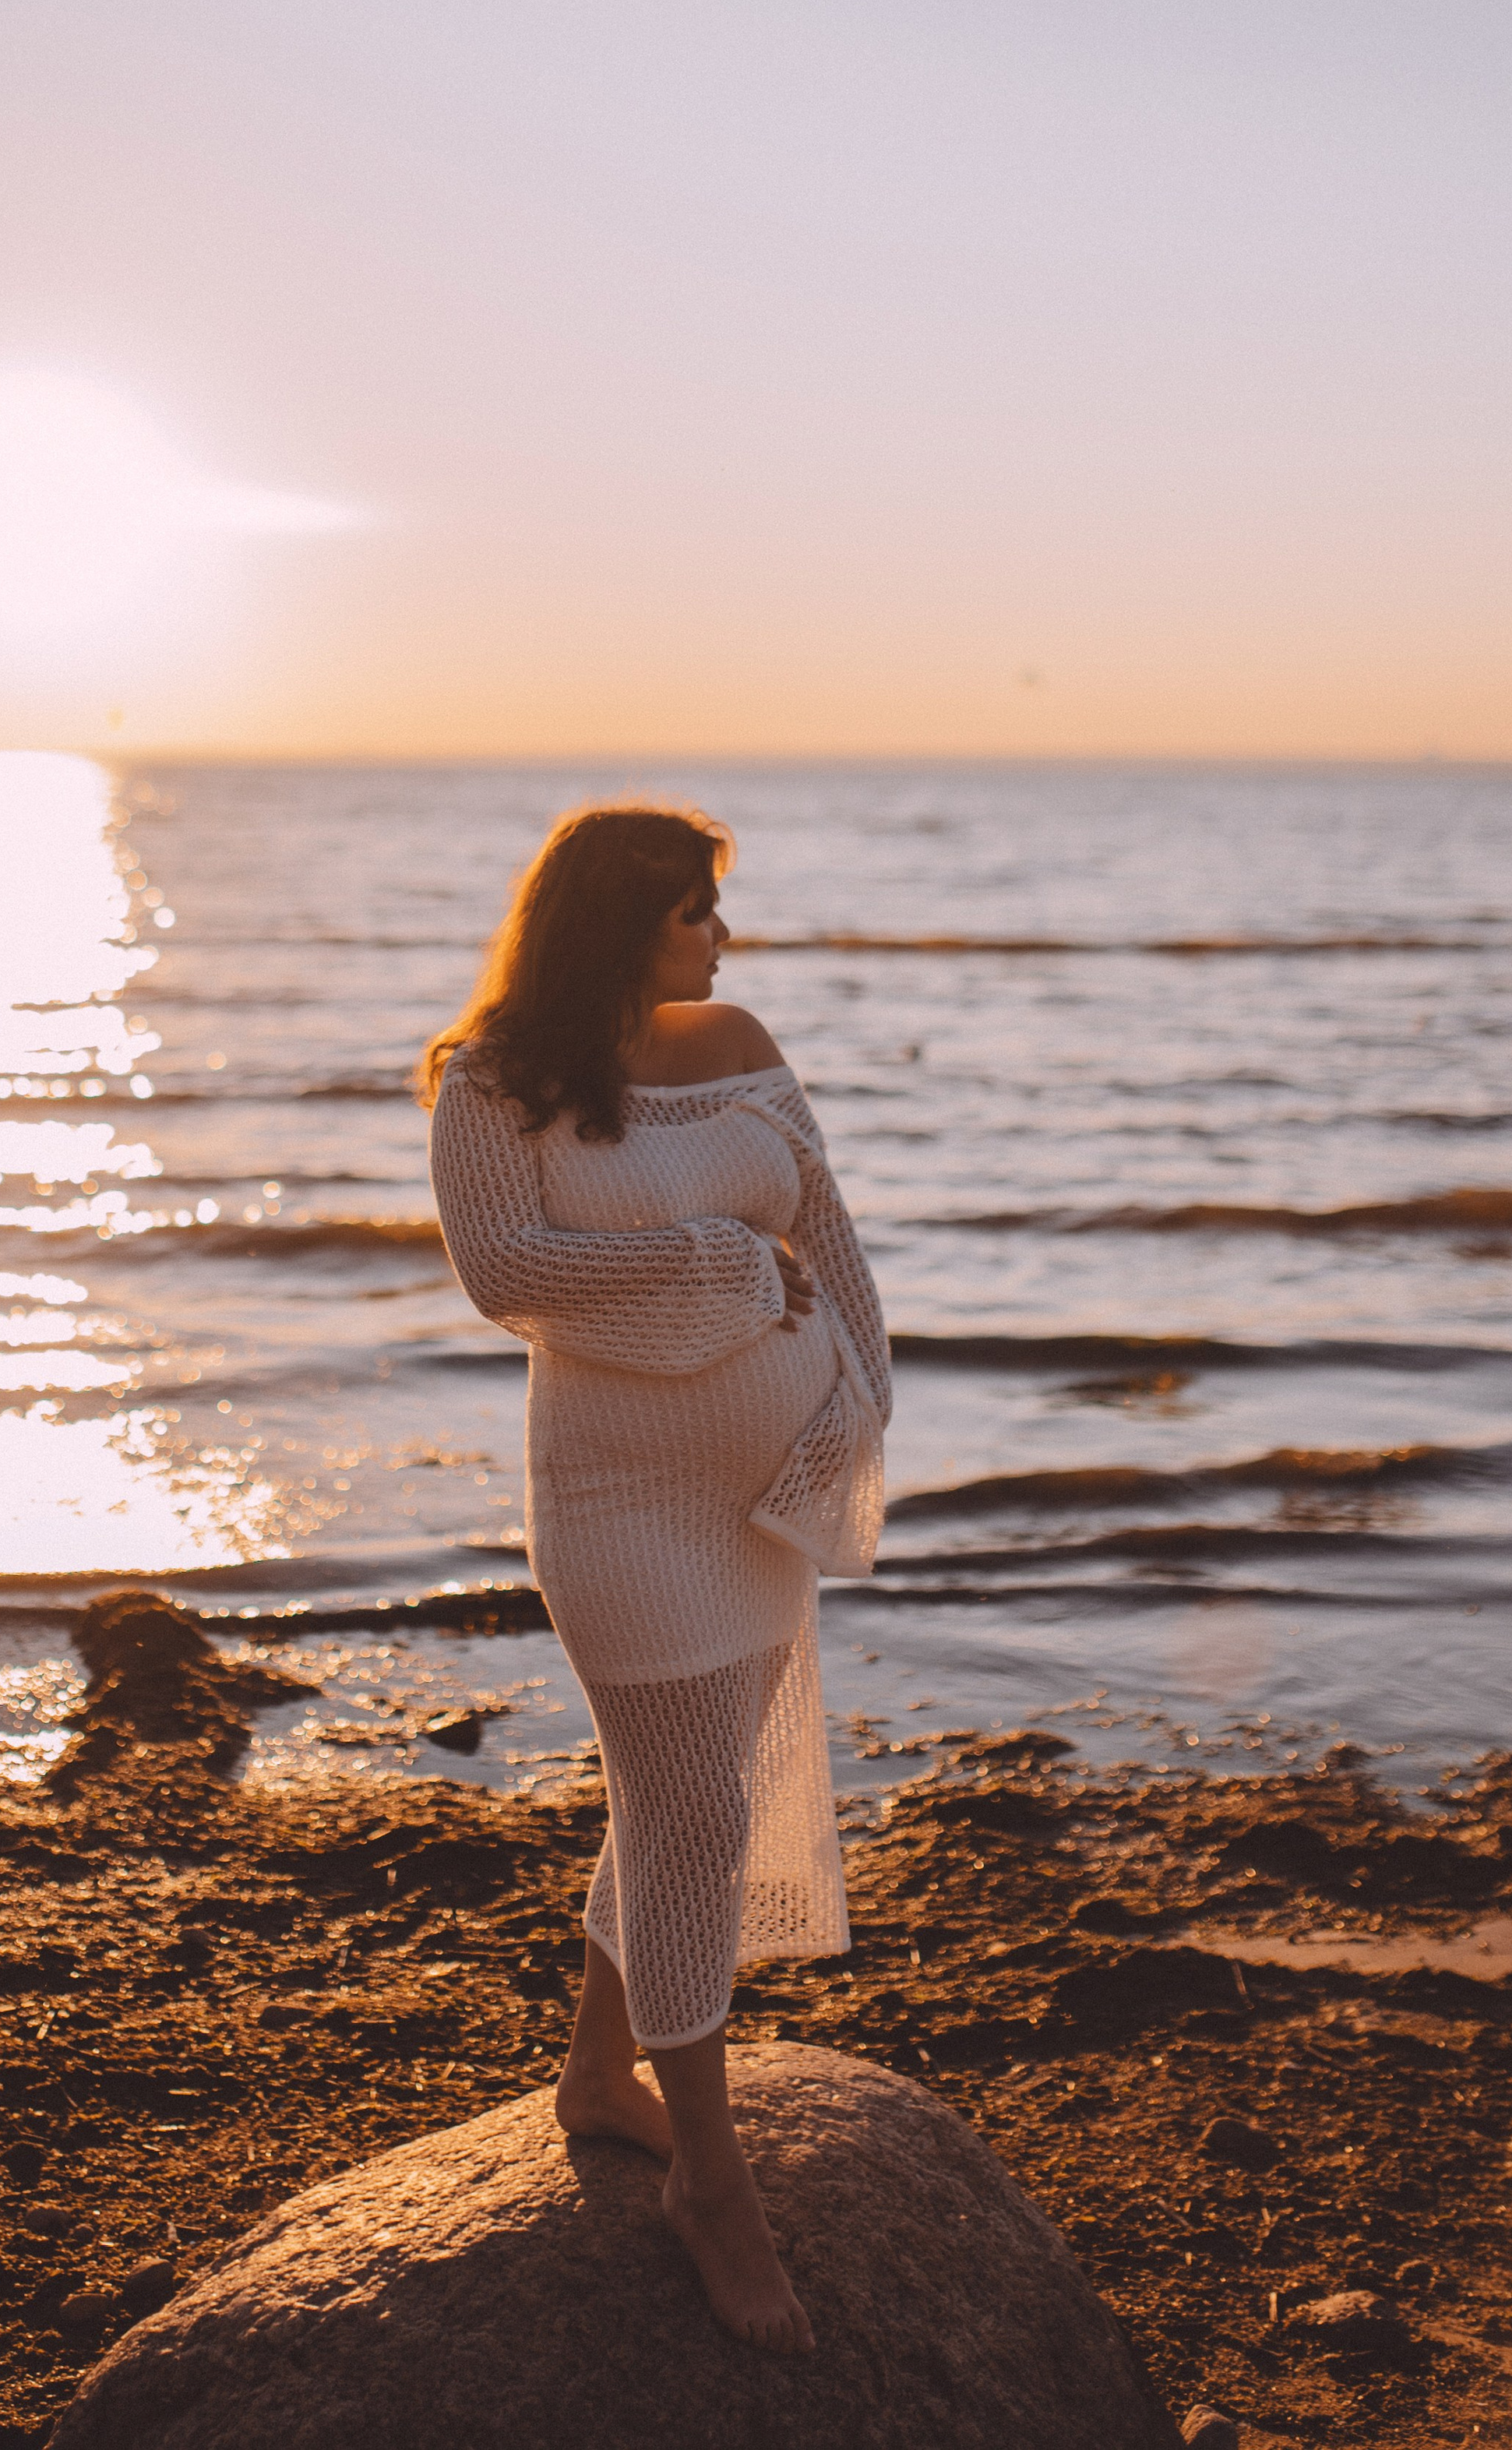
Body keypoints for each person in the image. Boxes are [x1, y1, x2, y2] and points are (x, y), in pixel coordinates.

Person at [420, 803, 891, 2354]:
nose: (721, 938)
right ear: (622, 919)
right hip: (619, 1505)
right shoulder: (490, 1079)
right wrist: (721, 1266)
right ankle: (710, 2180)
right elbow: (505, 1270)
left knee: (684, 1796)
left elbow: (831, 1237)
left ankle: (590, 2074)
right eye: (696, 911)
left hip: (761, 1496)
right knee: (693, 1813)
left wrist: (855, 1409)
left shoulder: (738, 1043)